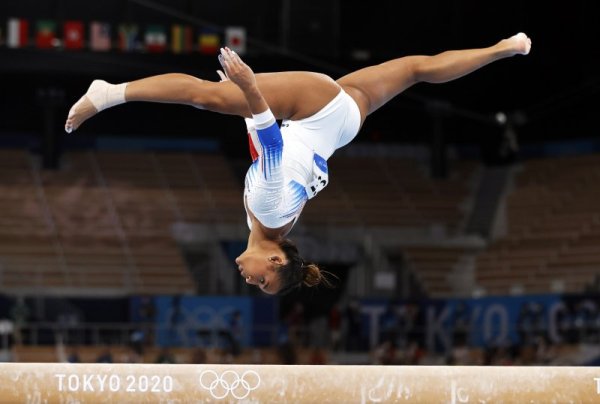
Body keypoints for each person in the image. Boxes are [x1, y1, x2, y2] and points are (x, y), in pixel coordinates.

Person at [64, 33, 532, 295]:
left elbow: (273, 154)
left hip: (342, 125)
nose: (250, 281)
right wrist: (248, 88)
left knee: (417, 68)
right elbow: (270, 143)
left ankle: (504, 49)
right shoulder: (269, 214)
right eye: (263, 280)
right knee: (204, 97)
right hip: (316, 110)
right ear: (275, 259)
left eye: (257, 286)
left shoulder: (274, 225)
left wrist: (250, 114)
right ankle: (108, 93)